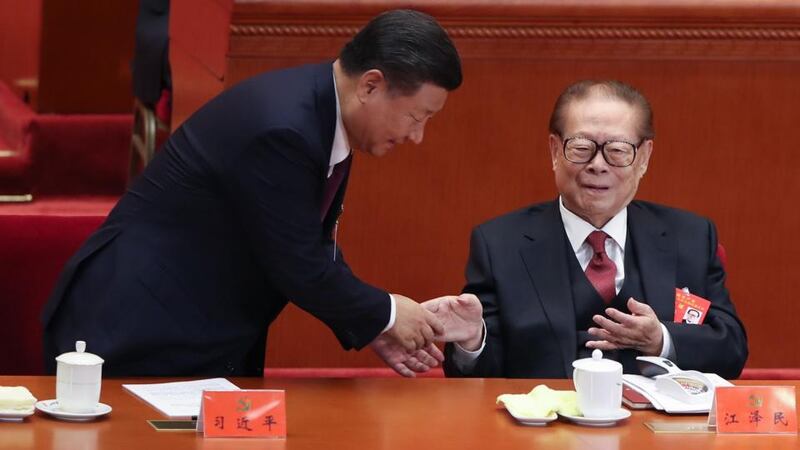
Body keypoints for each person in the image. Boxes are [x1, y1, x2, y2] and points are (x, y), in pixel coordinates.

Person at [41, 9, 462, 377]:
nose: (417, 136)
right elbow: (298, 263)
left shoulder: (322, 113)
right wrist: (387, 314)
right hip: (137, 330)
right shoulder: (285, 129)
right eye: (416, 116)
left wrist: (371, 326)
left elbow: (311, 243)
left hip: (189, 330)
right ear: (371, 85)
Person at [441, 80, 748, 379]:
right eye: (582, 147)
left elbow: (731, 349)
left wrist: (661, 340)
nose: (598, 165)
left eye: (617, 150)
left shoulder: (691, 237)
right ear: (554, 151)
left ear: (643, 158)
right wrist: (471, 344)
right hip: (541, 428)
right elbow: (481, 373)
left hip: (654, 428)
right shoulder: (500, 244)